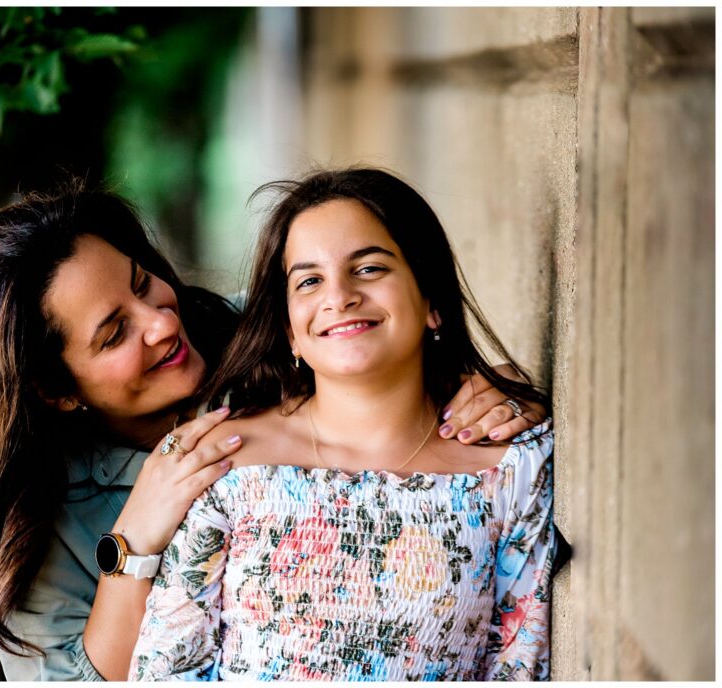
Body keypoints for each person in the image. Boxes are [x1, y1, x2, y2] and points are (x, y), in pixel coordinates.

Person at [0, 177, 548, 681]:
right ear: (55, 390)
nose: (161, 324)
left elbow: (370, 338)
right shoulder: (33, 520)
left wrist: (489, 386)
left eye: (144, 284)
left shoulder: (253, 334)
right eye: (116, 332)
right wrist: (136, 537)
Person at [129, 168, 557, 681]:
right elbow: (166, 670)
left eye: (370, 268)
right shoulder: (227, 462)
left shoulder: (510, 468)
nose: (339, 295)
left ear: (433, 302)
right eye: (309, 280)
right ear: (290, 330)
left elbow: (518, 664)